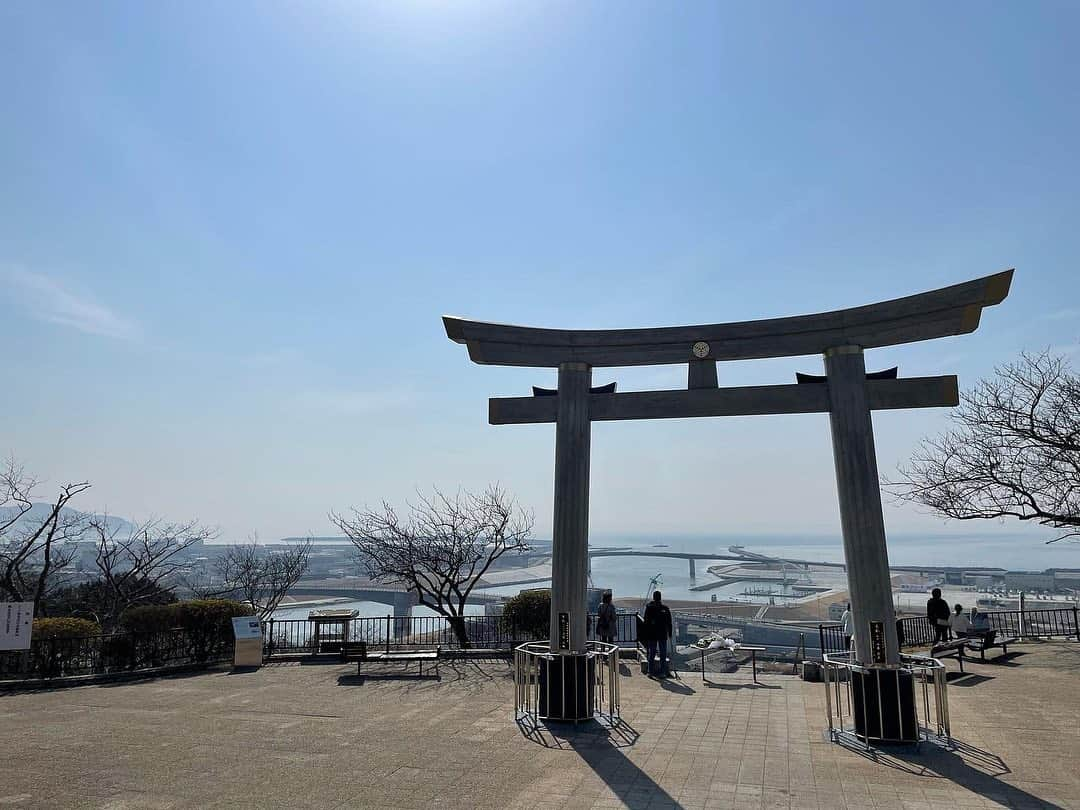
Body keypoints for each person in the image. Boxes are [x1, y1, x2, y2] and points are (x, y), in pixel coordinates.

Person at [642, 591, 673, 677]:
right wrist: (669, 633)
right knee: (662, 653)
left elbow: (646, 622)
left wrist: (646, 632)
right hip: (662, 633)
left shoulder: (649, 608)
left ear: (653, 597)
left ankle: (650, 671)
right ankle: (662, 672)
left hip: (652, 634)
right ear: (660, 598)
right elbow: (669, 622)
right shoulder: (665, 608)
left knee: (652, 653)